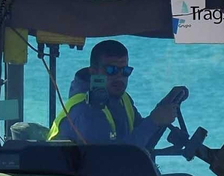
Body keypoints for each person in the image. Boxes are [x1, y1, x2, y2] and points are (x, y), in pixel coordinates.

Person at [49, 39, 182, 149]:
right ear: (94, 72)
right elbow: (115, 159)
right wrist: (153, 121)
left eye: (125, 71)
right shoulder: (85, 110)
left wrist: (161, 111)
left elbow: (142, 140)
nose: (119, 77)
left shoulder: (123, 99)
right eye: (111, 70)